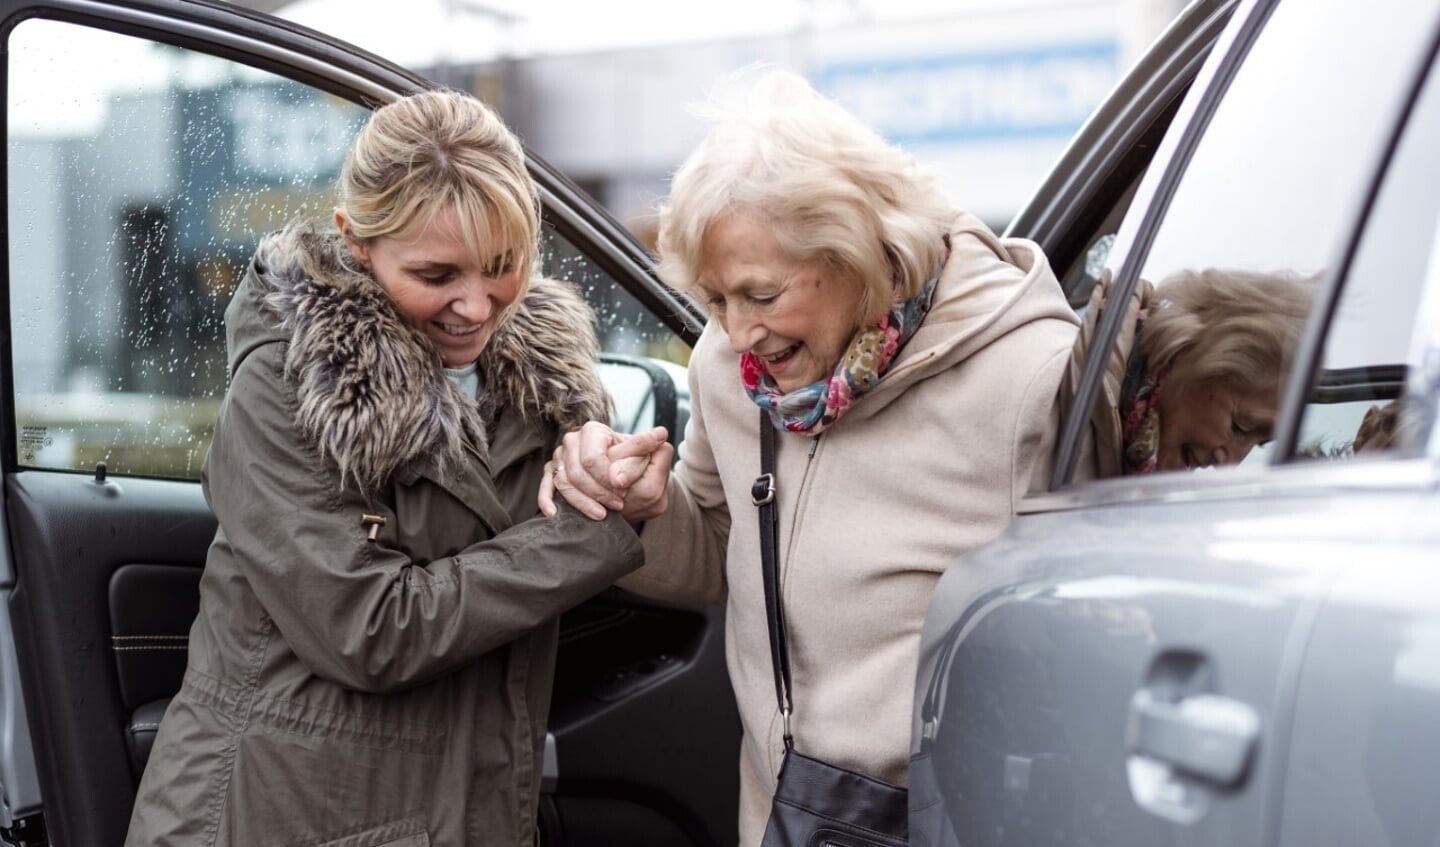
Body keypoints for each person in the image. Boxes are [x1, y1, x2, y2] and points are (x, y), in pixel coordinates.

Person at [538, 70, 1080, 846]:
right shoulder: (729, 374)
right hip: (785, 822)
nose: (736, 332)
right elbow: (720, 549)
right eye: (716, 299)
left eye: (760, 295)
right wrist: (641, 509)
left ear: (861, 249)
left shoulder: (1031, 380)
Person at [125, 90, 645, 846]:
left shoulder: (544, 382)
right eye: (437, 274)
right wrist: (594, 528)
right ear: (356, 242)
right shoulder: (287, 380)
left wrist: (609, 465)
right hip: (270, 816)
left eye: (504, 266)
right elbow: (371, 628)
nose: (475, 305)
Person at [1065, 267, 1315, 478]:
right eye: (1240, 427)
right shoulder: (1052, 388)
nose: (1230, 464)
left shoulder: (1130, 458)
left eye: (1258, 445)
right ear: (1191, 352)